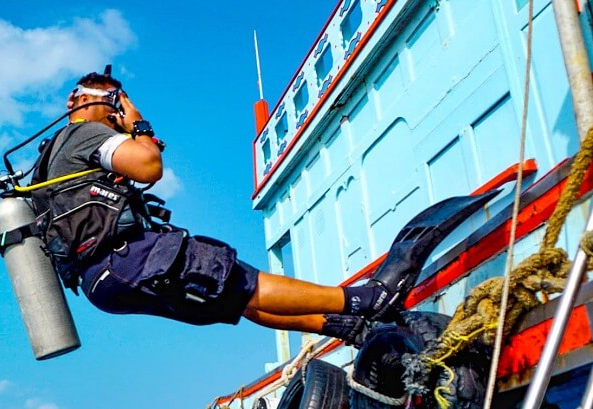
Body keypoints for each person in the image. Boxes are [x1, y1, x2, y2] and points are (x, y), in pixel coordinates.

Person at [27, 70, 424, 344]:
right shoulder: (84, 132)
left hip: (104, 284)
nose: (118, 115)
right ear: (86, 100)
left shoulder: (48, 159)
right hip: (126, 259)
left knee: (237, 297)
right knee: (236, 277)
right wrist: (140, 125)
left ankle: (347, 329)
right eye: (116, 104)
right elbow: (149, 167)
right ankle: (366, 299)